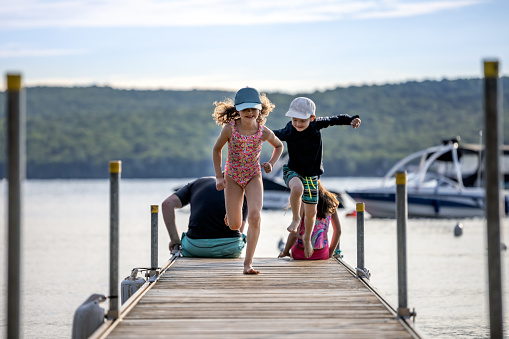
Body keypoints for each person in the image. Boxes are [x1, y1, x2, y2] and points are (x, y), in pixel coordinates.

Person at [273, 97, 360, 258]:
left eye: (302, 121)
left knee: (311, 212)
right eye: (294, 120)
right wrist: (257, 132)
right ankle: (295, 219)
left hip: (311, 175)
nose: (298, 124)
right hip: (293, 171)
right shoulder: (289, 130)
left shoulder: (316, 125)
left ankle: (306, 239)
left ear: (311, 118)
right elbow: (274, 134)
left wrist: (351, 119)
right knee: (297, 188)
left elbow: (335, 119)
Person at [212, 87, 283, 274]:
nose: (250, 113)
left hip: (253, 175)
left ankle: (247, 263)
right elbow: (216, 150)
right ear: (238, 110)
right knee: (235, 225)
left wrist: (271, 163)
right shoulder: (230, 129)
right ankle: (232, 214)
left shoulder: (263, 132)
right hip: (233, 176)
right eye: (245, 109)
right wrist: (219, 176)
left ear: (260, 109)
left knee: (255, 217)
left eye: (253, 109)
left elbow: (279, 145)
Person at [161, 176, 248, 258]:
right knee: (242, 237)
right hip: (229, 248)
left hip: (195, 248)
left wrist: (175, 240)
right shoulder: (240, 192)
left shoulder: (195, 184)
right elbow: (240, 228)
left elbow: (167, 204)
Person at [278, 181, 341, 260]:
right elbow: (338, 231)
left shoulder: (303, 202)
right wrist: (330, 253)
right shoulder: (330, 200)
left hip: (300, 254)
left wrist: (285, 251)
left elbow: (294, 234)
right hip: (322, 254)